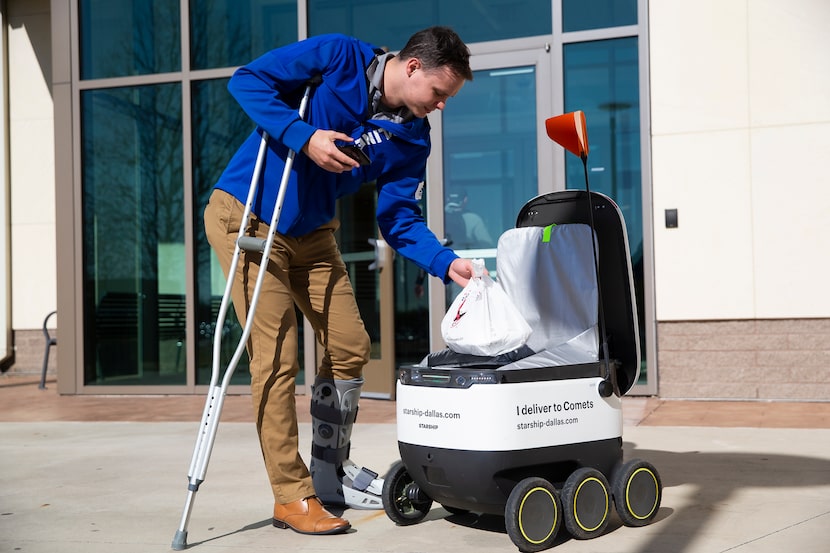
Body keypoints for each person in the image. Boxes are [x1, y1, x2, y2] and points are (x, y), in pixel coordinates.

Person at [203, 27, 475, 536]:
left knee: (351, 345)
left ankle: (329, 473)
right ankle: (292, 494)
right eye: (439, 93)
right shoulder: (338, 57)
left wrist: (444, 262)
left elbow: (397, 218)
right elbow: (247, 81)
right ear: (412, 68)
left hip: (312, 233)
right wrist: (304, 137)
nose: (440, 106)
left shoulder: (413, 137)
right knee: (277, 357)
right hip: (250, 215)